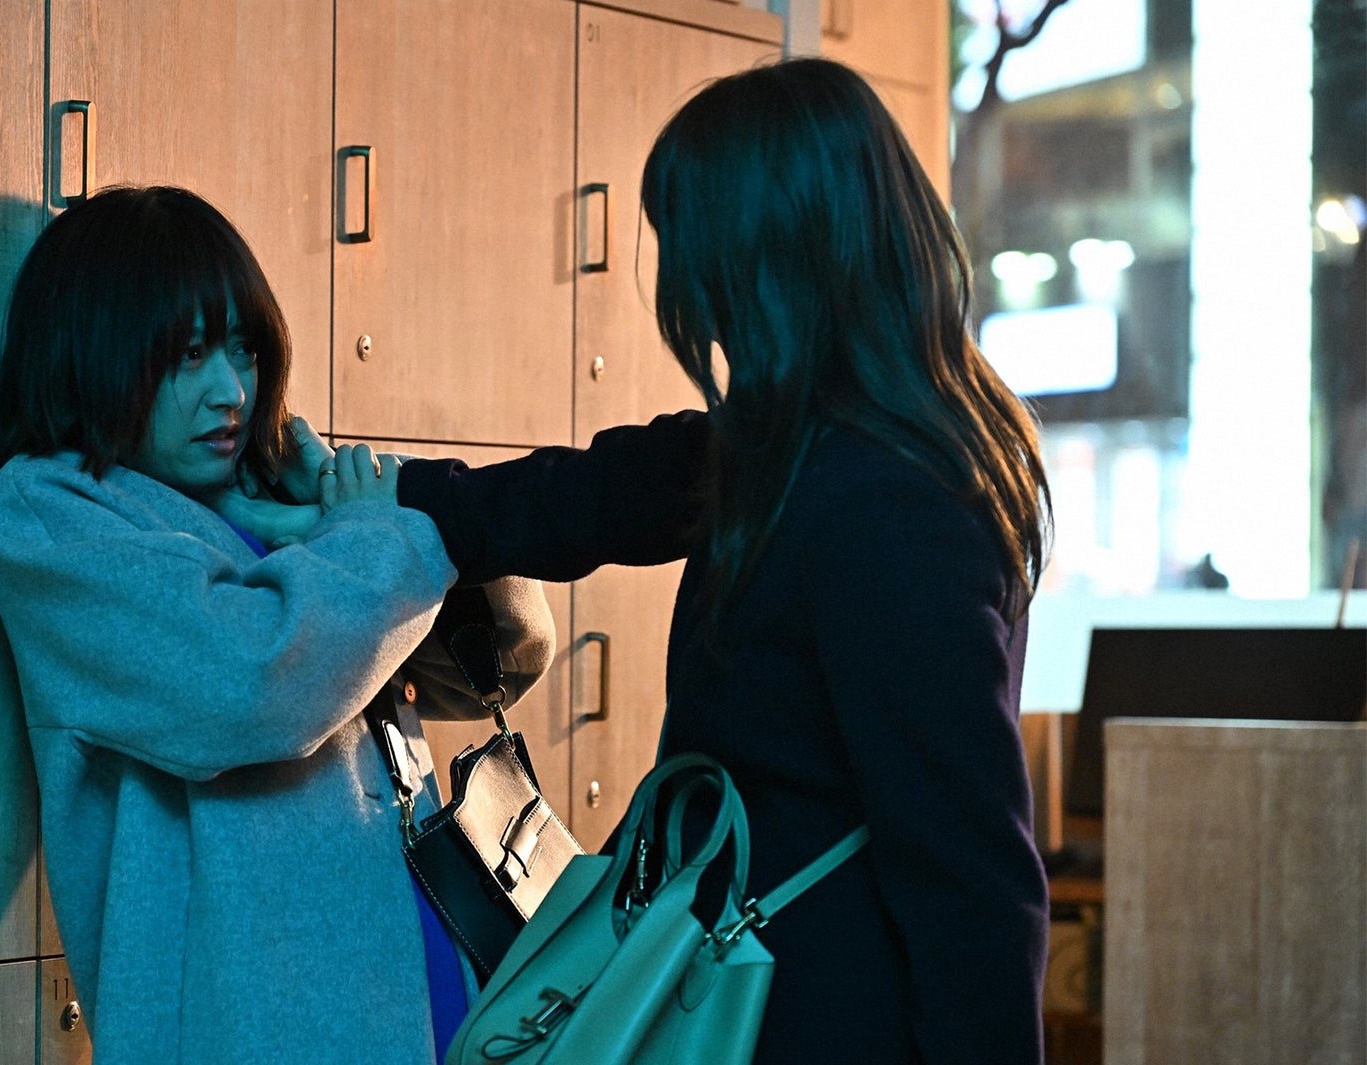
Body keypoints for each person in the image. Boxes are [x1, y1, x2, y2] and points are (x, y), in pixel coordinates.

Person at [275, 58, 1052, 1064]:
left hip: (813, 1016)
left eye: (692, 243)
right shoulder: (786, 445)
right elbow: (588, 496)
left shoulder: (888, 502)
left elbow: (970, 871)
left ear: (775, 255)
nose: (684, 285)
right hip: (733, 998)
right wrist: (365, 494)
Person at [0, 185, 555, 1065]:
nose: (232, 391)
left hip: (428, 1000)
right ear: (97, 349)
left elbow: (498, 661)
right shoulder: (52, 514)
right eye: (189, 354)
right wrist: (376, 531)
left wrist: (364, 504)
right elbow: (250, 681)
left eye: (243, 349)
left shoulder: (264, 494)